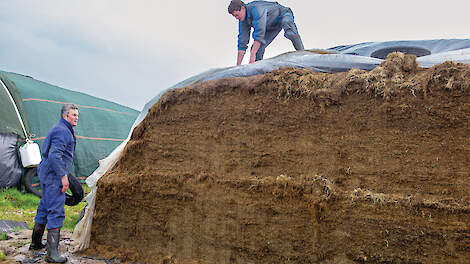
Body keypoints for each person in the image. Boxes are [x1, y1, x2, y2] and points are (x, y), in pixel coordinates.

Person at [30, 103, 78, 263]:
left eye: (77, 115)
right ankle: (52, 254)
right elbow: (55, 155)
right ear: (65, 116)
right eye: (73, 115)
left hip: (47, 172)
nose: (76, 117)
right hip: (53, 175)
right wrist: (63, 177)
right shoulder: (63, 131)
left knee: (45, 206)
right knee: (56, 210)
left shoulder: (60, 128)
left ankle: (36, 243)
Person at [228, 0, 304, 65]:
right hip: (270, 27)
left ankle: (303, 54)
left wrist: (252, 55)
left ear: (243, 8)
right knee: (258, 48)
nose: (236, 18)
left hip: (282, 15)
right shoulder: (242, 20)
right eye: (234, 16)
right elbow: (242, 41)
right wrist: (238, 66)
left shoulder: (256, 9)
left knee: (290, 31)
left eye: (237, 15)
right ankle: (257, 70)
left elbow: (259, 32)